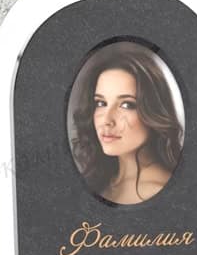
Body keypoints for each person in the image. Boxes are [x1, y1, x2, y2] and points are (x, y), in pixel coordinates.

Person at [70, 42, 183, 204]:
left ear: (154, 111)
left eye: (126, 105)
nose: (107, 120)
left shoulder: (158, 190)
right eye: (101, 103)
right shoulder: (101, 180)